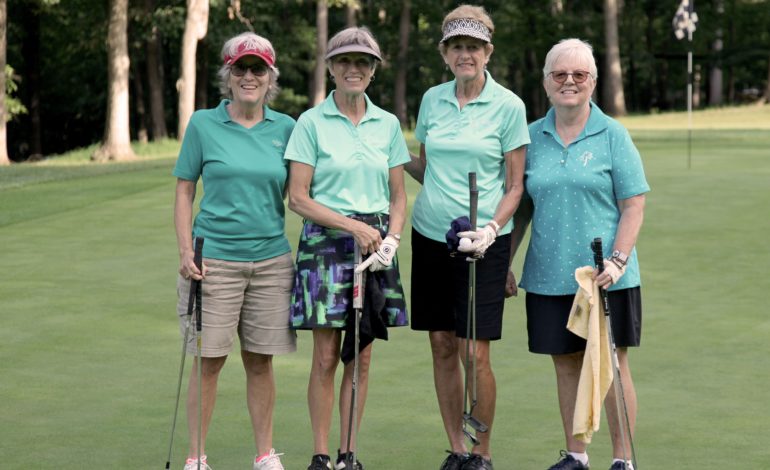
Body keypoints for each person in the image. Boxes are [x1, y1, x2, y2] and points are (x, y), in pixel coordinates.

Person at [508, 38, 649, 470]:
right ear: (546, 81)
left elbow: (634, 205)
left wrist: (619, 259)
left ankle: (623, 460)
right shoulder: (530, 136)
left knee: (612, 365)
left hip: (607, 275)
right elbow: (521, 206)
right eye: (559, 74)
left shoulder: (613, 134)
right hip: (550, 272)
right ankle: (577, 456)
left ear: (593, 81)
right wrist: (505, 262)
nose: (569, 81)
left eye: (579, 74)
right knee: (566, 363)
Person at [403, 5, 529, 470]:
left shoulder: (509, 106)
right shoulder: (432, 100)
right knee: (440, 343)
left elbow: (515, 185)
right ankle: (456, 448)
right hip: (430, 236)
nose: (465, 54)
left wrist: (493, 229)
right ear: (444, 52)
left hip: (484, 240)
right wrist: (384, 156)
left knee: (473, 351)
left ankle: (482, 452)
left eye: (473, 46)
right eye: (456, 46)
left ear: (488, 51)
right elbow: (425, 167)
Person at [284, 26, 410, 470]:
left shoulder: (388, 123)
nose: (353, 68)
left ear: (373, 70)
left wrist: (392, 238)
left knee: (362, 353)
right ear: (332, 68)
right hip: (325, 244)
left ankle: (348, 454)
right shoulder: (310, 122)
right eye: (344, 61)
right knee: (325, 356)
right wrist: (352, 226)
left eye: (363, 62)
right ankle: (321, 454)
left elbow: (398, 196)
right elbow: (298, 197)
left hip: (376, 246)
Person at [172, 32, 296, 470]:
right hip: (214, 261)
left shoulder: (287, 128)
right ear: (227, 74)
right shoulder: (204, 124)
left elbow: (303, 192)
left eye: (257, 69)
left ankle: (264, 454)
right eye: (240, 68)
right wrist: (186, 249)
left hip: (271, 263)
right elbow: (185, 190)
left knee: (260, 362)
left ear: (270, 76)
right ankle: (196, 458)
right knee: (209, 362)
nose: (249, 76)